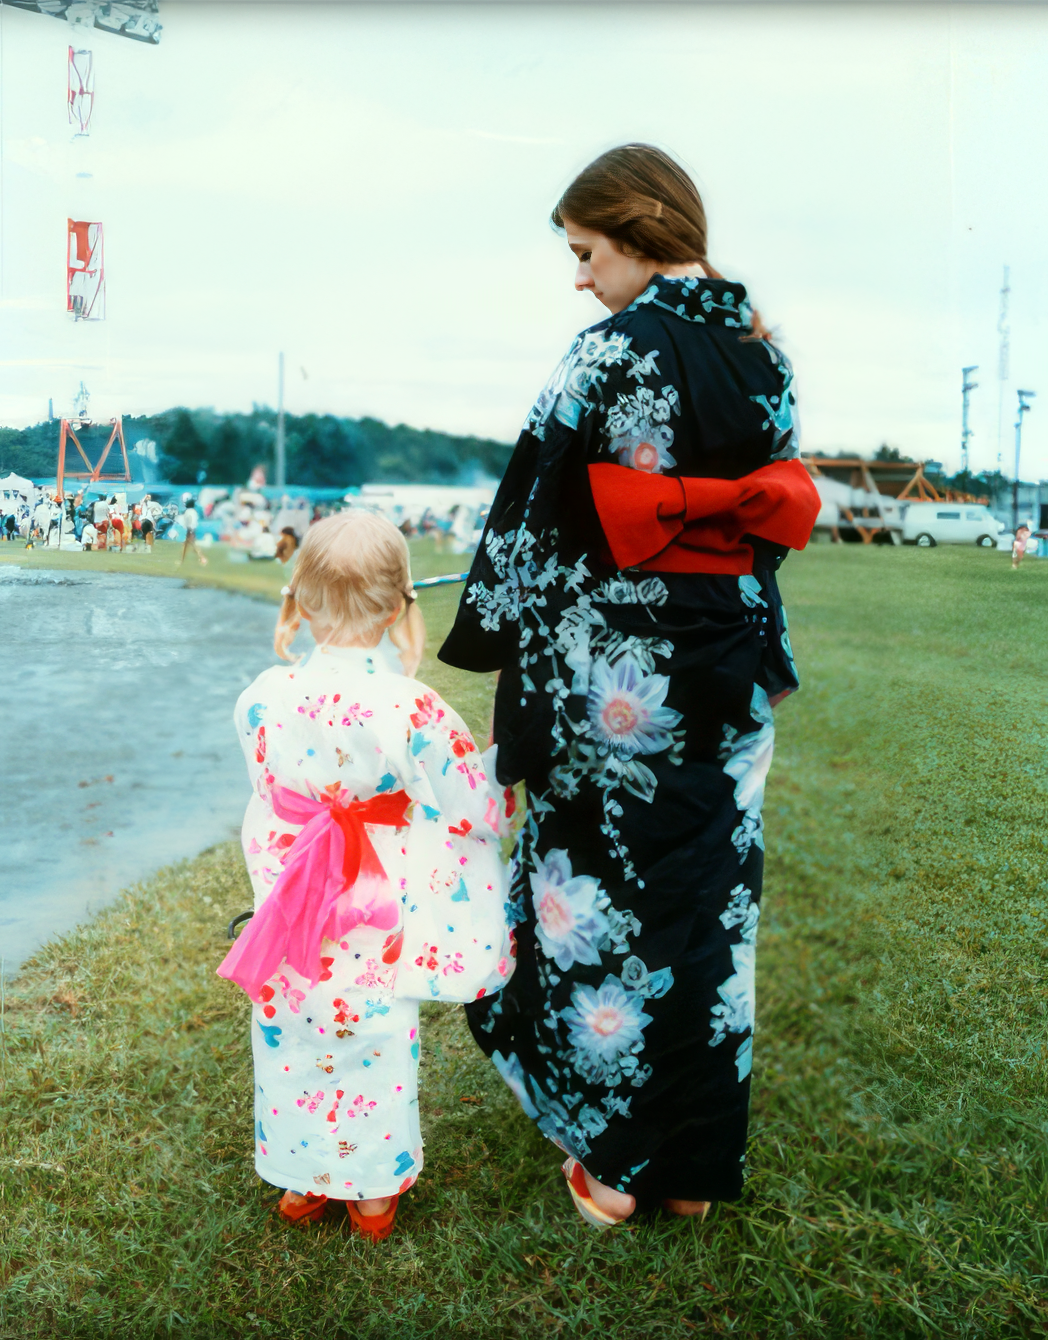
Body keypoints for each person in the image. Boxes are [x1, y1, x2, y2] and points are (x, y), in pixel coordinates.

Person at [439, 144, 820, 1227]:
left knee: (599, 913)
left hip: (618, 686)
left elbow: (532, 516)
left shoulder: (607, 351)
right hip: (729, 673)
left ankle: (614, 1167)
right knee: (706, 906)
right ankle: (689, 1169)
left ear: (639, 231)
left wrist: (503, 633)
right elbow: (766, 521)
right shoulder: (764, 354)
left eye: (584, 250)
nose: (579, 277)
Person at [216, 510, 516, 1238]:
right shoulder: (411, 705)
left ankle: (299, 1180)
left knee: (290, 1023)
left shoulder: (262, 697)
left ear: (302, 599)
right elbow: (474, 804)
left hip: (293, 895)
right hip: (376, 904)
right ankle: (373, 1194)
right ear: (395, 606)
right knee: (375, 1032)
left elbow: (269, 790)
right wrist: (499, 775)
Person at [179, 497, 207, 567]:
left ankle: (202, 558)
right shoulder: (194, 511)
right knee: (187, 545)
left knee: (193, 545)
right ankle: (182, 560)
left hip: (190, 530)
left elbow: (187, 522)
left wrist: (188, 530)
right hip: (193, 529)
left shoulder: (188, 511)